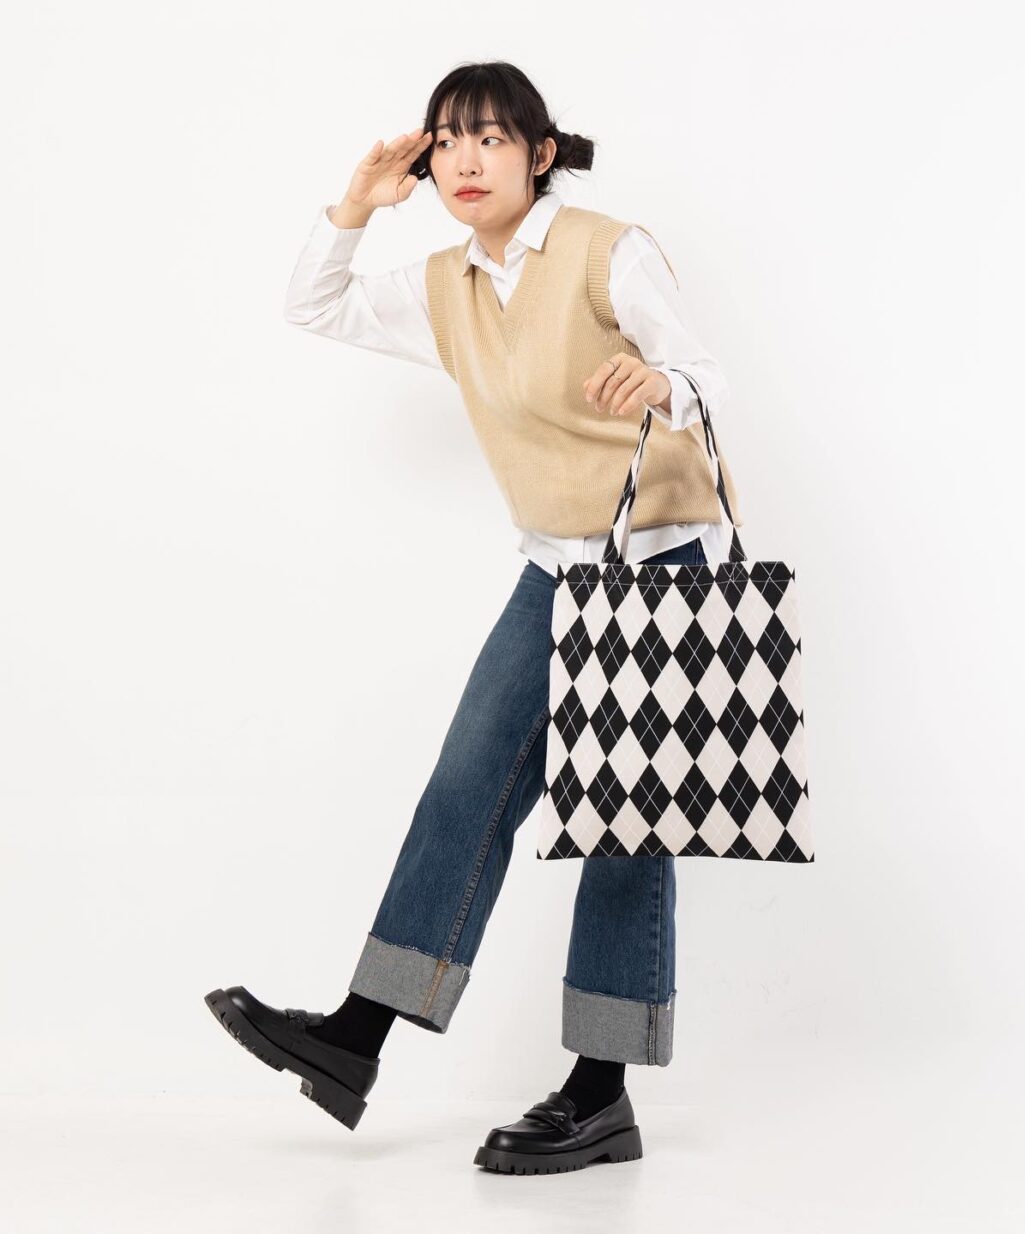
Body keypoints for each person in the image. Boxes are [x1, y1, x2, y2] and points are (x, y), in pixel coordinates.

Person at [205, 59, 743, 1176]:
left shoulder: (606, 251)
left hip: (659, 564)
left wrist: (663, 386)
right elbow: (314, 304)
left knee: (623, 825)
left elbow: (706, 373)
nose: (464, 158)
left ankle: (599, 1095)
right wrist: (357, 203)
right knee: (466, 789)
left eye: (491, 137)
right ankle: (355, 1039)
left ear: (539, 154)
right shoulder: (445, 284)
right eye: (447, 138)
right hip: (552, 568)